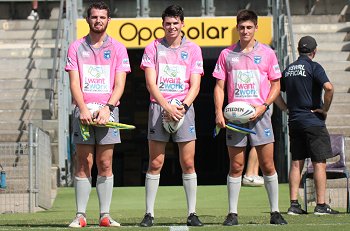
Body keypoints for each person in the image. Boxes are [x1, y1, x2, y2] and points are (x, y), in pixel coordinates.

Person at [213, 9, 287, 225]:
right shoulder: (226, 54)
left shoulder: (268, 53)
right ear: (237, 28)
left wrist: (264, 106)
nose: (245, 31)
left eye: (249, 27)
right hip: (236, 119)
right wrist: (219, 111)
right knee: (236, 166)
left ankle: (275, 212)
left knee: (268, 164)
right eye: (241, 27)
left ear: (256, 28)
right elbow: (219, 86)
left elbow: (276, 84)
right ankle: (232, 213)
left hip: (260, 115)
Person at [65, 1, 131, 228]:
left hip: (108, 112)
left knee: (105, 163)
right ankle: (80, 215)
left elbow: (120, 84)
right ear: (88, 19)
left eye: (102, 17)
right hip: (83, 111)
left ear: (108, 20)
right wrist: (83, 108)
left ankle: (104, 215)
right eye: (94, 17)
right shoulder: (75, 47)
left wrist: (108, 109)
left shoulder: (118, 48)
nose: (98, 21)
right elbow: (74, 83)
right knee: (84, 163)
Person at [139, 4, 204, 227]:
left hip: (185, 109)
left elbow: (195, 85)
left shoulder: (193, 49)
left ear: (183, 24)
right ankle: (149, 214)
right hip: (159, 107)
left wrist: (183, 107)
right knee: (156, 162)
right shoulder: (153, 48)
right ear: (163, 24)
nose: (172, 27)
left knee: (188, 162)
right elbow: (150, 82)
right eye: (168, 23)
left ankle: (192, 213)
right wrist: (167, 106)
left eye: (176, 23)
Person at [275, 36, 339, 215]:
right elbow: (329, 88)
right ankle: (320, 205)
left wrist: (286, 109)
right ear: (314, 51)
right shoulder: (314, 66)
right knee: (319, 163)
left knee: (296, 163)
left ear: (298, 50)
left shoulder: (288, 70)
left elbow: (274, 92)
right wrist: (324, 109)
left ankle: (294, 205)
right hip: (313, 122)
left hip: (295, 121)